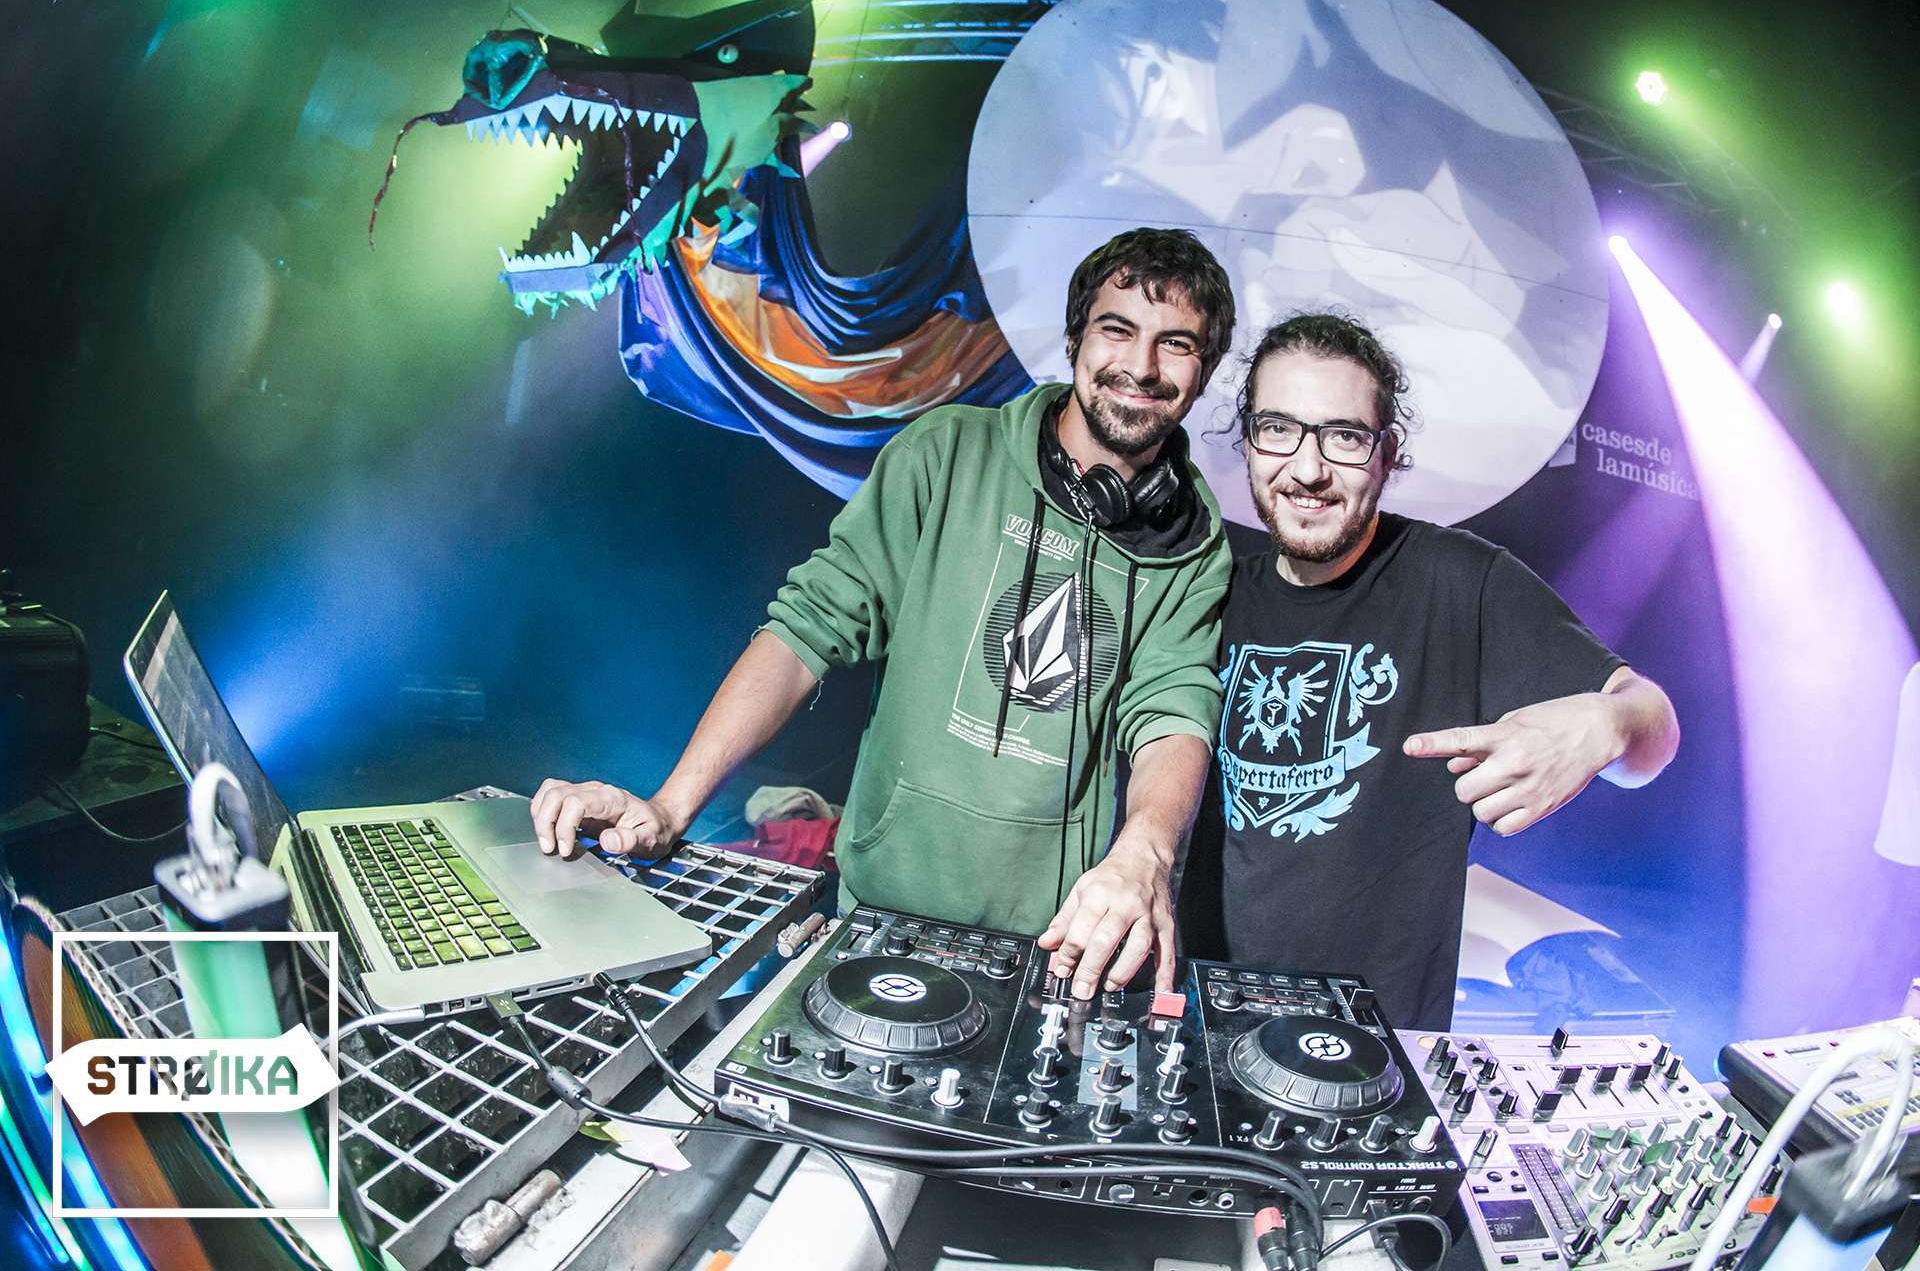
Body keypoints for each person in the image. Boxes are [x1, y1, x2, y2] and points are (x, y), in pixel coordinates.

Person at [532, 229, 1238, 1000]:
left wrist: (1145, 851)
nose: (1142, 365)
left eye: (1176, 343)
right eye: (1118, 329)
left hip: (1048, 950)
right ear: (1074, 339)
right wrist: (670, 808)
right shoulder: (945, 455)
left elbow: (1174, 710)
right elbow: (805, 631)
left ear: (1203, 371)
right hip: (877, 915)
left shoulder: (1193, 540)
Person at [1177, 312, 1679, 1030]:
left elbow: (1653, 727)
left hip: (1376, 1050)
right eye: (1279, 429)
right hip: (1195, 1023)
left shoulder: (1460, 582)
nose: (1309, 469)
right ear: (1249, 441)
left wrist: (1611, 723)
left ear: (1387, 454)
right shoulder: (1210, 592)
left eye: (1345, 437)